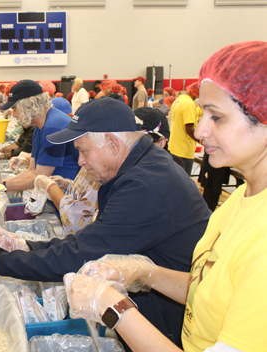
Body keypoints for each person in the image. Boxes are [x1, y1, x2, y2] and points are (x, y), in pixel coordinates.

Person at [0, 97, 211, 350]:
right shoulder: (138, 166)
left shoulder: (145, 186)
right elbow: (89, 241)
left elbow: (81, 255)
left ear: (112, 142)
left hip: (172, 326)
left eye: (83, 150)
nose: (80, 161)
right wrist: (26, 247)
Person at [64, 40, 267, 352]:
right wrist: (146, 273)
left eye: (217, 117)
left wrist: (113, 307)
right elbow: (208, 291)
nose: (200, 131)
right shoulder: (241, 200)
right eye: (202, 114)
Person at [0, 80, 80, 192]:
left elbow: (40, 177)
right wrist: (1, 184)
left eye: (15, 109)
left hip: (67, 195)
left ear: (28, 104)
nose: (15, 115)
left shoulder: (51, 127)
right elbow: (32, 170)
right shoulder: (41, 124)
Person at [168, 82, 200, 175]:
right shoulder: (189, 104)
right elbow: (189, 129)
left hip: (174, 147)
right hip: (184, 150)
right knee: (184, 183)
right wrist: (202, 141)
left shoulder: (179, 100)